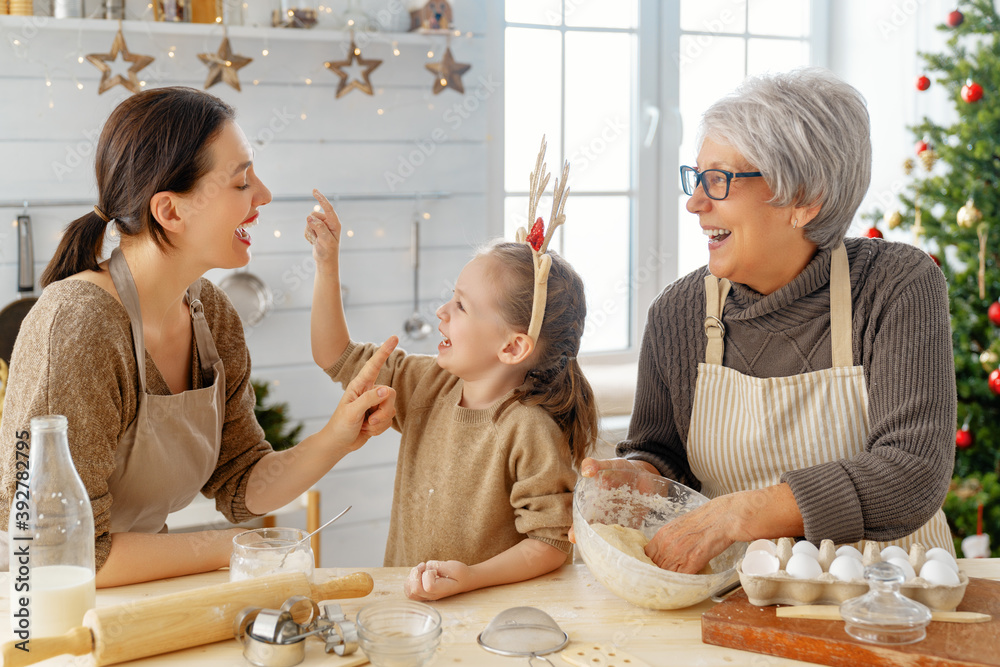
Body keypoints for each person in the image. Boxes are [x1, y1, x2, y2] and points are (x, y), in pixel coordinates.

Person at [0, 87, 397, 587]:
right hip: (48, 610)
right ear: (169, 211)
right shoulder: (79, 327)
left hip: (140, 595)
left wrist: (337, 438)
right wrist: (226, 548)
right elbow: (58, 552)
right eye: (241, 182)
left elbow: (240, 480)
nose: (264, 197)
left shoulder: (210, 312)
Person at [583, 68, 957, 574]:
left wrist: (740, 513)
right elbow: (663, 454)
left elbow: (912, 474)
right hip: (735, 598)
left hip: (892, 594)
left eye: (718, 181)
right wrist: (641, 478)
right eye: (696, 179)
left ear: (803, 199)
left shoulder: (896, 286)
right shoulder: (678, 313)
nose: (694, 203)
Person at [308, 146, 598, 601]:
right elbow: (335, 355)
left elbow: (550, 544)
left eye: (461, 305)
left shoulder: (527, 430)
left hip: (487, 619)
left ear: (513, 346)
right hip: (412, 608)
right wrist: (327, 264)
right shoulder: (427, 384)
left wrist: (473, 577)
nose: (442, 312)